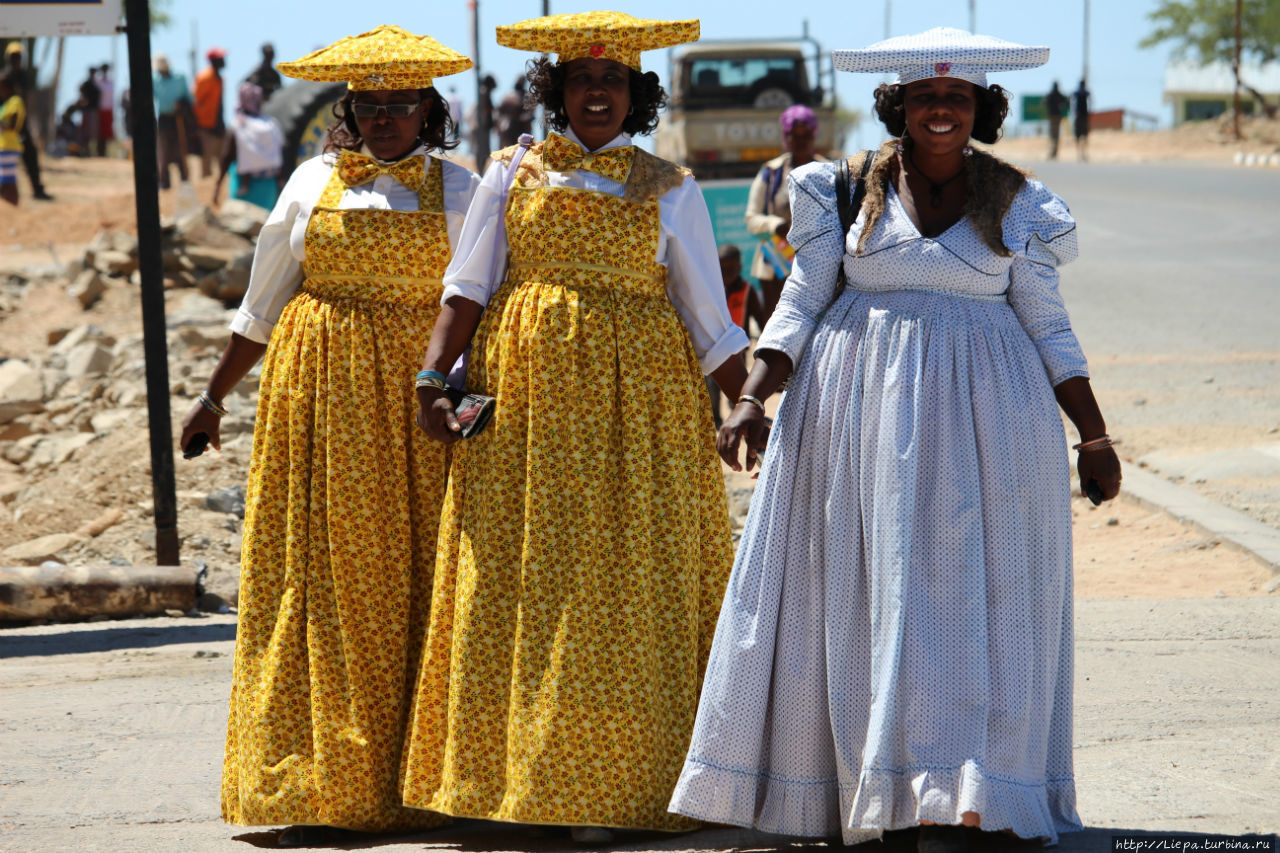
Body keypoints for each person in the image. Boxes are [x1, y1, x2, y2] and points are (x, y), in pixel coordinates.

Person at [669, 28, 1122, 851]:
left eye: (956, 99)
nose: (940, 110)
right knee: (871, 597)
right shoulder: (840, 190)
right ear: (899, 108)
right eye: (923, 98)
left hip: (993, 427)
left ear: (981, 108)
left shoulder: (1021, 202)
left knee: (985, 603)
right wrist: (750, 398)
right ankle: (885, 794)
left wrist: (1093, 436)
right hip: (856, 418)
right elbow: (800, 303)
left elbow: (1049, 324)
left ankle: (978, 793)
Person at [400, 11, 750, 841]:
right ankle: (514, 785)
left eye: (615, 81)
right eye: (583, 81)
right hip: (523, 410)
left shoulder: (671, 186)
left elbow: (711, 321)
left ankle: (625, 785)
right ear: (556, 92)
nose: (598, 93)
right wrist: (430, 375)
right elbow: (467, 288)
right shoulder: (510, 173)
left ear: (637, 96)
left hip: (643, 419)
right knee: (524, 583)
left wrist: (752, 404)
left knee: (628, 584)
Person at [180, 25, 479, 847]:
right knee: (325, 579)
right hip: (320, 400)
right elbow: (262, 304)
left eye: (401, 104)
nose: (385, 118)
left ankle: (424, 781)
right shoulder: (311, 182)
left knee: (423, 575)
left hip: (421, 409)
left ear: (429, 109)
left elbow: (481, 298)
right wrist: (212, 397)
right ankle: (320, 780)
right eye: (371, 105)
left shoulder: (464, 189)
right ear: (351, 109)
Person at [745, 103, 826, 320]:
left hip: (817, 264)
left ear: (814, 135)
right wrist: (775, 226)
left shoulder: (829, 171)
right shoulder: (770, 173)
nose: (800, 140)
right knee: (777, 324)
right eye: (794, 135)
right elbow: (751, 218)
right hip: (776, 264)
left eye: (806, 135)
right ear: (785, 137)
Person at [707, 244, 767, 426]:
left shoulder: (747, 290)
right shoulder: (710, 291)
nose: (726, 274)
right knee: (712, 386)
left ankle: (737, 417)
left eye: (731, 269)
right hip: (712, 347)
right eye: (722, 269)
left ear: (739, 268)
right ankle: (715, 420)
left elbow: (760, 318)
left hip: (737, 350)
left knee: (739, 387)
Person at [211, 82, 284, 210]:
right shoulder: (271, 125)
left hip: (244, 187)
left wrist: (217, 187)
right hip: (268, 187)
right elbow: (279, 155)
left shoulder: (237, 126)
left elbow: (226, 157)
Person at [4, 42, 50, 199]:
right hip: (6, 128)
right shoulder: (5, 76)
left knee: (30, 156)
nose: (16, 59)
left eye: (18, 56)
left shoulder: (24, 76)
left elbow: (27, 99)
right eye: (13, 56)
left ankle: (37, 189)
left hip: (21, 125)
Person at [152, 53, 192, 190]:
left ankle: (185, 181)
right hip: (164, 118)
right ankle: (164, 182)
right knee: (163, 151)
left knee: (181, 149)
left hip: (179, 118)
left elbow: (189, 97)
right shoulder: (155, 80)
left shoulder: (180, 78)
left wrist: (182, 105)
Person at [194, 47, 227, 178]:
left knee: (222, 159)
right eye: (221, 59)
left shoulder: (219, 78)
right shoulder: (205, 78)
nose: (224, 61)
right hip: (206, 126)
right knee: (206, 161)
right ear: (215, 61)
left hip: (218, 124)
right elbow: (196, 101)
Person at [0, 73, 23, 206]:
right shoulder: (5, 104)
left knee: (8, 181)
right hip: (3, 146)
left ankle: (13, 209)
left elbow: (13, 125)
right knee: (3, 180)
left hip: (10, 146)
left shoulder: (15, 101)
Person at [494, 75, 533, 147]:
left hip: (520, 128)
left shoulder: (524, 96)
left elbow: (530, 112)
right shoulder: (510, 96)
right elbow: (499, 111)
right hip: (511, 128)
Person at [77, 67, 99, 155]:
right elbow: (81, 91)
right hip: (87, 110)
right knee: (86, 131)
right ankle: (84, 150)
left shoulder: (96, 84)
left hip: (94, 110)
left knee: (91, 132)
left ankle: (88, 150)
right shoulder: (86, 84)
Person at [96, 63, 114, 156]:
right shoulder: (97, 81)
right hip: (99, 109)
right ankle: (99, 151)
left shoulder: (110, 81)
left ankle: (104, 152)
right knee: (99, 132)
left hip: (108, 109)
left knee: (106, 132)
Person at [1073, 78, 1090, 161]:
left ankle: (1079, 153)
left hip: (1079, 116)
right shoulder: (1085, 93)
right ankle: (1082, 153)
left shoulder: (1077, 92)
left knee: (1078, 135)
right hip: (1084, 116)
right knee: (1083, 135)